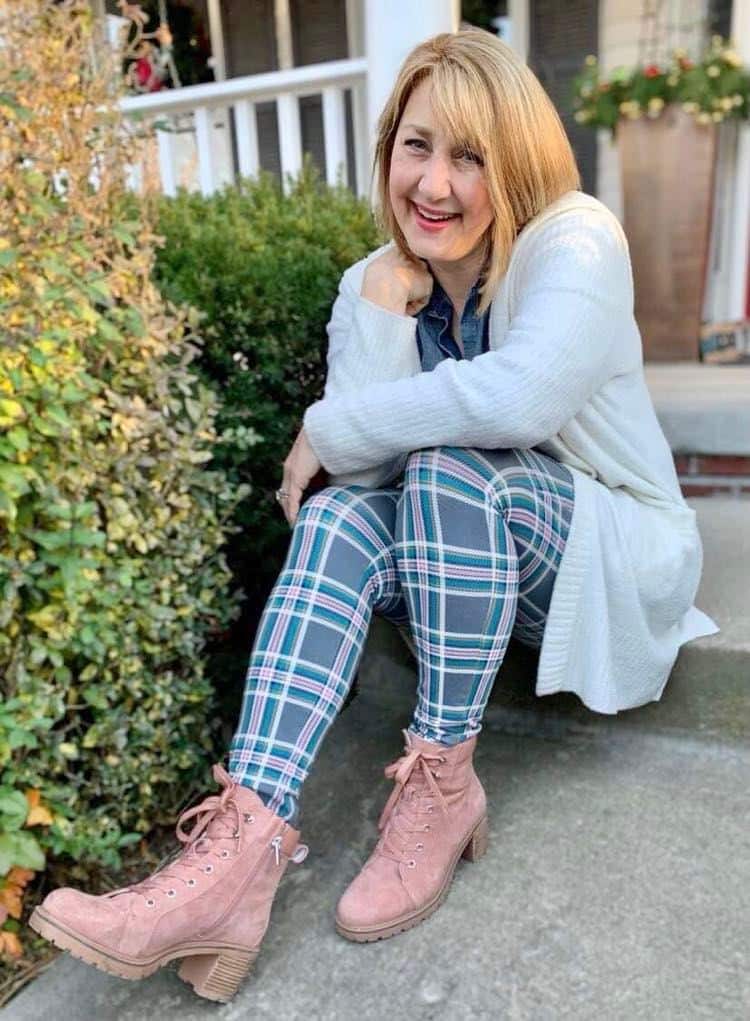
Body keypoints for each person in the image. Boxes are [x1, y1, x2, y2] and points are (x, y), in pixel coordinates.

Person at [30, 27, 719, 1004]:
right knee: (340, 522)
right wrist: (388, 319)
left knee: (446, 463)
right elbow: (359, 477)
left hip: (599, 548)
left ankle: (442, 782)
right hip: (452, 554)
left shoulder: (575, 240)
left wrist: (325, 423)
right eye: (417, 145)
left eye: (470, 157)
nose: (434, 184)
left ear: (514, 162)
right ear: (388, 144)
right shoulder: (376, 280)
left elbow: (515, 401)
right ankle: (237, 857)